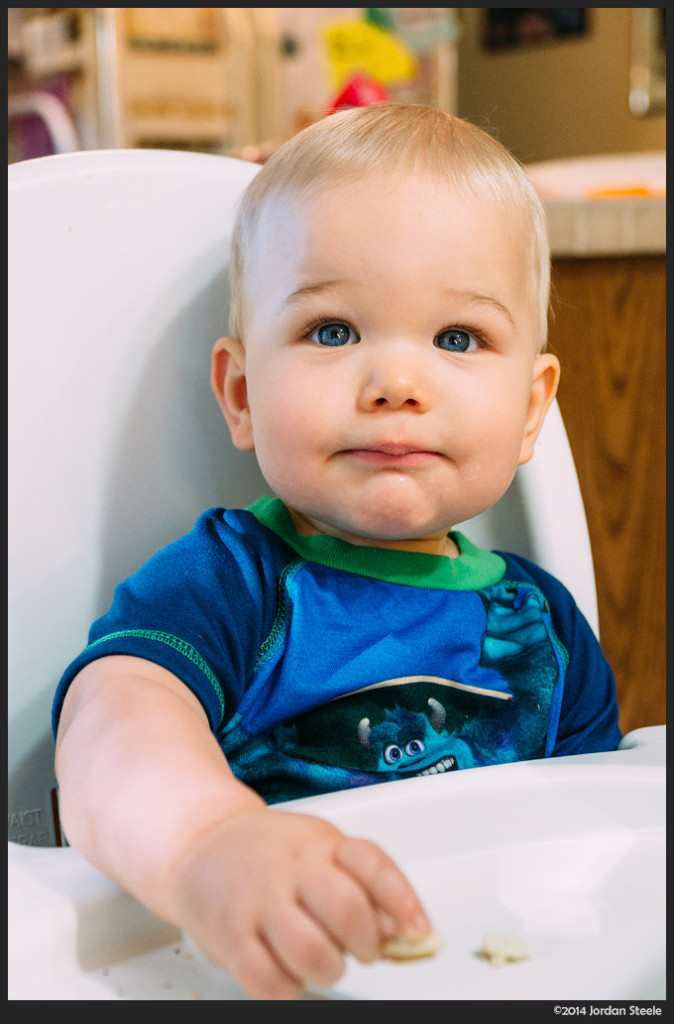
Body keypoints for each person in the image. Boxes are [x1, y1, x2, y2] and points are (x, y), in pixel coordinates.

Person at [52, 104, 621, 1000]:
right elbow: (108, 731)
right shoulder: (230, 585)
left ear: (530, 411)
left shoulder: (544, 633)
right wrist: (206, 843)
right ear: (241, 393)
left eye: (458, 338)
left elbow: (596, 850)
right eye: (333, 331)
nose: (397, 383)